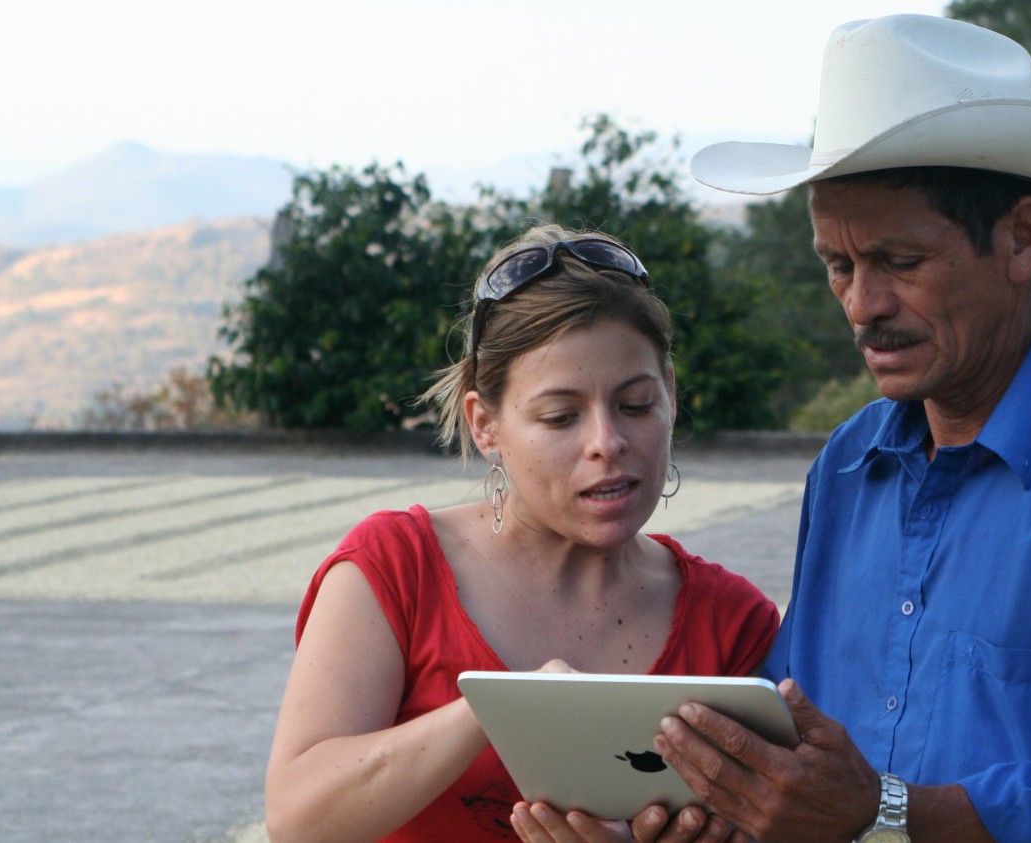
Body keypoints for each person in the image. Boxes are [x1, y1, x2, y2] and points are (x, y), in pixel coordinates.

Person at [512, 13, 1031, 843]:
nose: (862, 305)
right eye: (839, 265)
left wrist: (886, 810)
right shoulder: (848, 463)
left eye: (900, 263)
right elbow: (795, 745)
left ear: (1021, 238)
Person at [264, 223, 780, 843]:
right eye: (560, 417)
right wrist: (505, 708)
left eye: (637, 405)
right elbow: (298, 819)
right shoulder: (394, 570)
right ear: (485, 426)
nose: (607, 443)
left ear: (670, 394)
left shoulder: (733, 623)